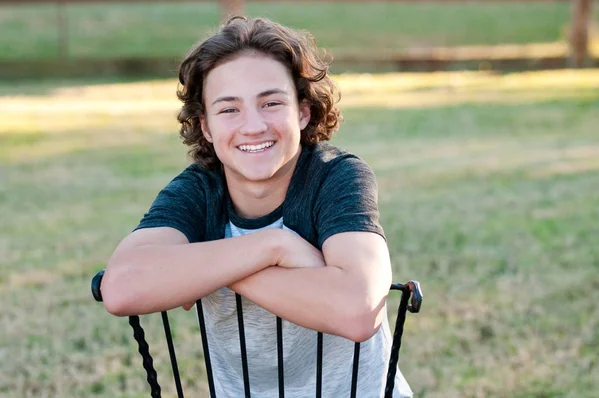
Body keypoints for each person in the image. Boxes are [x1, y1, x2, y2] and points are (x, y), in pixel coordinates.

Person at [101, 16, 412, 398]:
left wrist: (199, 270)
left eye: (271, 103)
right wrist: (275, 248)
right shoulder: (201, 189)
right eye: (229, 109)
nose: (253, 126)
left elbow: (359, 309)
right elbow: (120, 287)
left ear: (302, 111)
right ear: (207, 126)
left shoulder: (335, 177)